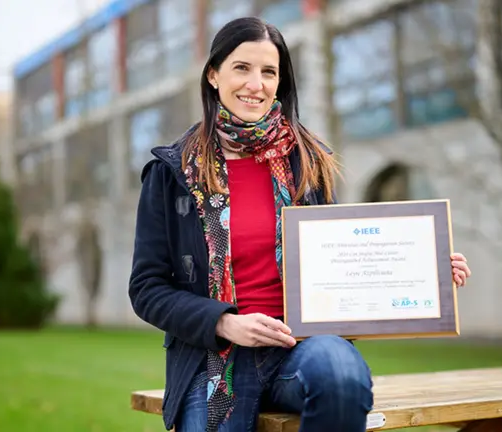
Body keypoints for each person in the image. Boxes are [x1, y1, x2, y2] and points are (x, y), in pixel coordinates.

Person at [128, 16, 472, 432]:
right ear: (214, 75)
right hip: (214, 358)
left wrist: (423, 272)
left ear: (280, 82)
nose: (256, 84)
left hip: (301, 348)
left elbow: (344, 263)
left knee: (341, 375)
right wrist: (225, 322)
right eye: (242, 68)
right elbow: (147, 288)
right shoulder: (173, 172)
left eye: (268, 72)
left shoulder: (308, 163)